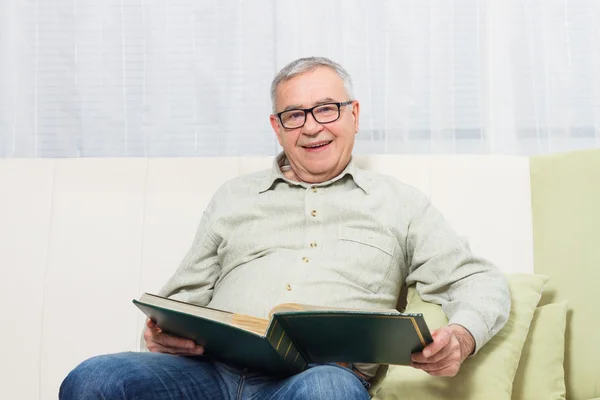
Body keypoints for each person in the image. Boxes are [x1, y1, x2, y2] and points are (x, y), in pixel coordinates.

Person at [59, 57, 510, 400]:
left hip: (317, 377)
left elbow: (478, 281)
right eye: (294, 115)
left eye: (327, 109)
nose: (312, 127)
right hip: (210, 373)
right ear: (277, 128)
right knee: (94, 378)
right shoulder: (234, 197)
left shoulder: (400, 202)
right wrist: (159, 331)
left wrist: (463, 336)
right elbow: (179, 300)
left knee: (330, 392)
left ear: (354, 114)